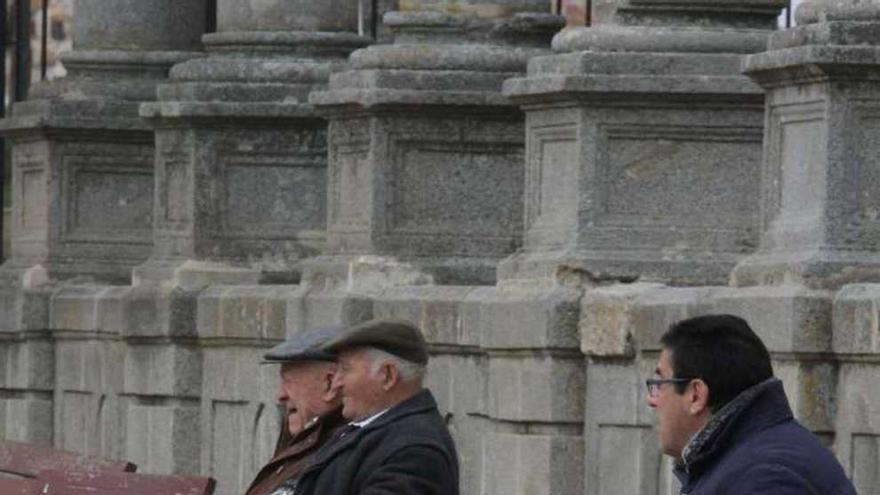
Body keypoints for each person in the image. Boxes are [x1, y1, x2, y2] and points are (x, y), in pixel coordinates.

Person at [647, 314, 856, 495]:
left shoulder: (765, 477)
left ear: (696, 396)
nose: (652, 399)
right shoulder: (747, 459)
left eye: (659, 383)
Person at [293, 318, 459, 495]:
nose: (336, 383)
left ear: (388, 375)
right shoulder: (379, 431)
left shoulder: (414, 450)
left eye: (345, 369)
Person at [244, 325, 347, 495]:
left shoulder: (345, 447)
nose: (280, 395)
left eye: (289, 381)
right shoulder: (302, 439)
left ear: (329, 383)